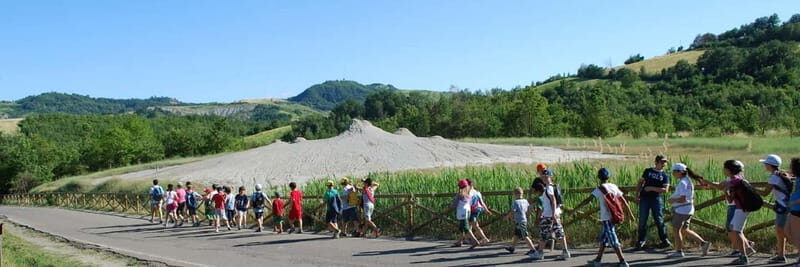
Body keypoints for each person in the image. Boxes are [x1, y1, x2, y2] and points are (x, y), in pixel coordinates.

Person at [697, 160, 753, 265]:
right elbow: (730, 198)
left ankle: (744, 255)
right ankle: (745, 251)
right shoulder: (737, 179)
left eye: (725, 168)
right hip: (741, 208)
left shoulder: (734, 180)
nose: (723, 170)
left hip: (740, 209)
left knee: (737, 231)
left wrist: (704, 180)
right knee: (734, 230)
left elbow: (719, 186)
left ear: (729, 170)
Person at [585, 168, 635, 267]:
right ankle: (598, 260)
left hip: (606, 217)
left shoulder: (599, 189)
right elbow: (623, 201)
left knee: (613, 238)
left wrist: (575, 209)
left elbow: (588, 200)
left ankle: (622, 260)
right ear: (608, 177)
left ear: (599, 177)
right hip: (614, 215)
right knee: (604, 239)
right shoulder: (613, 186)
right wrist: (630, 214)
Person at [666, 163, 711, 258]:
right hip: (688, 208)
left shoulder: (682, 183)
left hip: (681, 209)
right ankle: (703, 243)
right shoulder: (688, 181)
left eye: (674, 172)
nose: (673, 174)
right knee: (684, 229)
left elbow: (682, 199)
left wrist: (672, 200)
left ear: (680, 172)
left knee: (676, 230)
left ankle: (678, 251)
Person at [757, 154, 792, 264]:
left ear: (770, 165)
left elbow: (765, 193)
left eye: (765, 164)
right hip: (788, 206)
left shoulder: (774, 177)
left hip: (783, 207)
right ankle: (781, 255)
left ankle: (781, 255)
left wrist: (749, 188)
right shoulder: (782, 173)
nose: (764, 165)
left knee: (781, 231)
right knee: (782, 231)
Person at [634, 155, 671, 250]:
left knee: (659, 219)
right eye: (662, 162)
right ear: (656, 162)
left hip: (656, 199)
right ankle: (641, 240)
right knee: (642, 220)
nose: (663, 164)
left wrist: (651, 188)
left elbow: (665, 190)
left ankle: (664, 240)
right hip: (644, 199)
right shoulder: (648, 171)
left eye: (665, 162)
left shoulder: (665, 175)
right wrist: (637, 194)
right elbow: (640, 182)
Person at [530, 178, 570, 261]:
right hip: (555, 215)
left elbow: (552, 202)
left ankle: (540, 253)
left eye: (536, 192)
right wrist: (555, 214)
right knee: (560, 233)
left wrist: (552, 215)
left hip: (548, 216)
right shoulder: (549, 190)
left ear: (538, 191)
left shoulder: (546, 193)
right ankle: (565, 251)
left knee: (544, 235)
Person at [504, 187, 536, 256]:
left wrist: (507, 217)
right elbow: (529, 209)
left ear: (515, 194)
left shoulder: (516, 202)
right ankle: (512, 247)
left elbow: (513, 211)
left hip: (519, 221)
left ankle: (532, 249)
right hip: (523, 219)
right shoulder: (525, 201)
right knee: (517, 234)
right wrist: (527, 215)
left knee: (525, 235)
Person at [451, 179, 479, 249]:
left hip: (462, 211)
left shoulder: (460, 194)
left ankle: (475, 241)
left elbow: (455, 204)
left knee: (466, 227)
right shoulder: (469, 193)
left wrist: (450, 206)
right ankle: (460, 241)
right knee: (461, 227)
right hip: (468, 210)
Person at [783, 158, 800, 264]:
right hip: (794, 209)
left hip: (797, 209)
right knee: (787, 231)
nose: (790, 167)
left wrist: (793, 202)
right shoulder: (797, 178)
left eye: (791, 165)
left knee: (795, 234)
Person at [467, 179, 492, 246]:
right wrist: (486, 210)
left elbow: (467, 203)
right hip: (478, 209)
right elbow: (482, 202)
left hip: (471, 210)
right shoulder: (477, 192)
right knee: (470, 225)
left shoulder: (468, 193)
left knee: (474, 225)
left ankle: (484, 238)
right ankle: (469, 238)